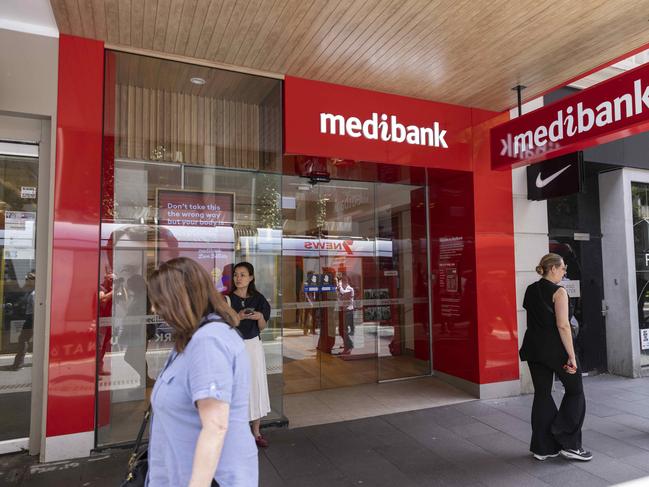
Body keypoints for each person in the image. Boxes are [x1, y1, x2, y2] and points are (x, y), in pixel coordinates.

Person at [145, 257, 257, 486]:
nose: (154, 308)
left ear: (180, 299)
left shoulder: (209, 341)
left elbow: (215, 426)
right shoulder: (194, 338)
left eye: (159, 301)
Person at [520, 253, 592, 462]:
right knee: (575, 391)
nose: (565, 272)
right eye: (563, 268)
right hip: (556, 350)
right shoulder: (559, 292)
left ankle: (543, 448)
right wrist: (572, 356)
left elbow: (533, 319)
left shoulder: (531, 289)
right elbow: (563, 325)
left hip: (533, 348)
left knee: (542, 394)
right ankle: (569, 443)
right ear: (552, 268)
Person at [228, 262, 271, 448]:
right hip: (234, 347)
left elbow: (262, 327)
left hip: (253, 346)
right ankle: (237, 432)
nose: (239, 278)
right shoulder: (227, 300)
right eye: (236, 274)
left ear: (251, 277)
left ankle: (256, 431)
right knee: (236, 387)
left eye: (243, 275)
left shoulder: (259, 298)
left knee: (256, 384)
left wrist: (260, 317)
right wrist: (238, 316)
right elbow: (225, 326)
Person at [12, 271, 35, 370]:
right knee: (23, 340)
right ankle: (18, 364)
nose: (26, 281)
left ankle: (18, 365)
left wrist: (34, 323)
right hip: (30, 318)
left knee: (22, 340)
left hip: (31, 319)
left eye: (27, 279)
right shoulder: (31, 291)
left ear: (33, 280)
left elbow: (35, 310)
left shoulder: (34, 293)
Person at [336, 275, 355, 355]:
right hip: (341, 310)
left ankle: (349, 346)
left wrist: (339, 286)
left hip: (348, 311)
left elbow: (344, 295)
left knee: (344, 330)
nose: (342, 281)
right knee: (341, 330)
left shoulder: (350, 289)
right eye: (341, 280)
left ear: (347, 280)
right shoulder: (340, 288)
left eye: (344, 279)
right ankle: (346, 344)